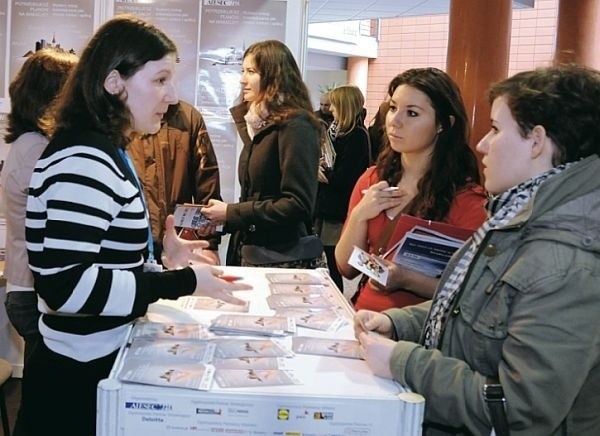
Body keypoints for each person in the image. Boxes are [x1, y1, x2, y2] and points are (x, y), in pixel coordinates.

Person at [22, 15, 249, 435]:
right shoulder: (85, 160)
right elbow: (66, 288)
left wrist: (162, 261)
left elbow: (102, 262)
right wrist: (183, 283)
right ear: (114, 83)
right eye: (160, 79)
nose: (172, 96)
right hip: (74, 380)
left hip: (91, 364)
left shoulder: (102, 151)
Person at [355, 64, 600, 435]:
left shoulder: (564, 261)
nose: (483, 144)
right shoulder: (514, 219)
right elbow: (474, 314)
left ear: (536, 141)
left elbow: (520, 408)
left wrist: (404, 362)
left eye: (497, 130)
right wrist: (397, 323)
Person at [335, 68, 487, 312]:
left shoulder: (467, 200)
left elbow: (471, 292)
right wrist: (360, 215)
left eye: (412, 113)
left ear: (443, 124)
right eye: (393, 108)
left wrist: (407, 279)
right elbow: (346, 267)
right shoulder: (372, 179)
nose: (395, 121)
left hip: (416, 335)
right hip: (363, 318)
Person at [0, 47, 78, 436]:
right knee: (44, 405)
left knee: (41, 398)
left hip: (28, 289)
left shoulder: (30, 145)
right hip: (32, 293)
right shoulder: (37, 150)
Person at [201, 40, 323, 268]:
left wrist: (231, 212)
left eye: (251, 72)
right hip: (251, 253)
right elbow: (258, 197)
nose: (242, 79)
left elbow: (298, 204)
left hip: (280, 259)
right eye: (242, 71)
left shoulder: (296, 125)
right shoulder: (257, 125)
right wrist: (222, 220)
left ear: (274, 75)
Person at [126, 99, 222, 265]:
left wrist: (209, 245)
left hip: (176, 247)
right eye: (160, 79)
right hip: (127, 246)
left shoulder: (188, 117)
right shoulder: (118, 118)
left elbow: (206, 183)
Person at [314, 85, 371, 292]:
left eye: (335, 106)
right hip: (325, 206)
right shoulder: (335, 131)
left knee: (332, 261)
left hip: (339, 209)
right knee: (324, 259)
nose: (331, 110)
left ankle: (335, 300)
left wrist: (323, 175)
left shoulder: (357, 136)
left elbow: (346, 177)